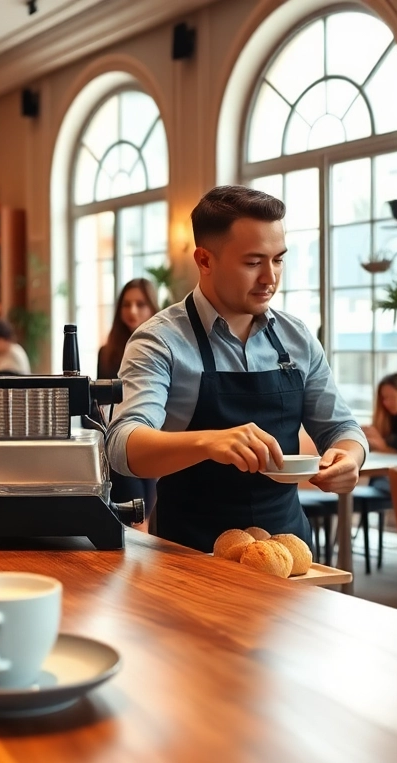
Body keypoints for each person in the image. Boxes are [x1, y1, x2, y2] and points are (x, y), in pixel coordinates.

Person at [107, 185, 367, 552]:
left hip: (286, 550)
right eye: (253, 262)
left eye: (278, 260)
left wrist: (349, 457)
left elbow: (342, 428)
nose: (270, 277)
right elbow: (122, 445)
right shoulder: (160, 340)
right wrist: (209, 441)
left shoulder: (297, 337)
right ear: (205, 261)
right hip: (189, 552)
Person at [98, 278, 161, 510]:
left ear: (152, 307)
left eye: (140, 304)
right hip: (117, 439)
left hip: (153, 438)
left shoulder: (162, 349)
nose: (132, 311)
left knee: (150, 506)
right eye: (126, 304)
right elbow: (101, 402)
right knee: (132, 508)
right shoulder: (107, 352)